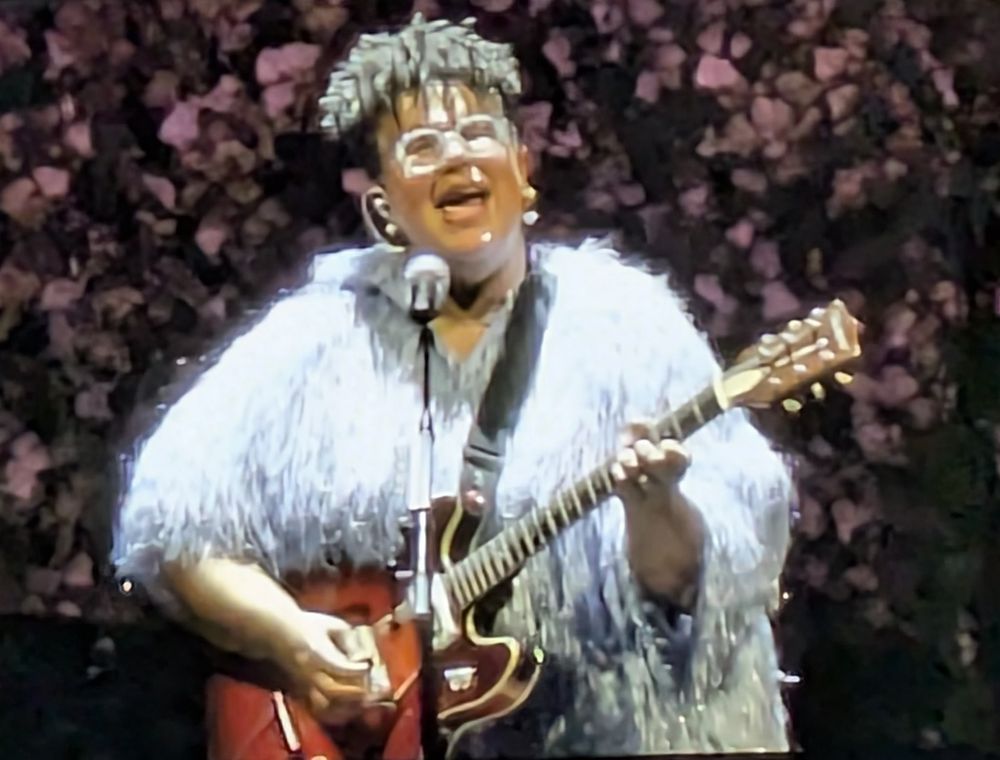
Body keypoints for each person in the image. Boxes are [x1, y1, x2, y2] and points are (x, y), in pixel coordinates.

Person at [112, 13, 794, 759]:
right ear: (382, 208)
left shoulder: (628, 324)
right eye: (423, 146)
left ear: (522, 170)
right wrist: (292, 636)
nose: (457, 156)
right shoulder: (312, 338)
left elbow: (709, 579)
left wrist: (656, 505)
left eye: (477, 134)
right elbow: (172, 529)